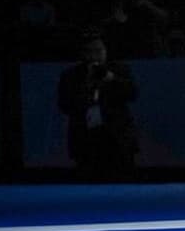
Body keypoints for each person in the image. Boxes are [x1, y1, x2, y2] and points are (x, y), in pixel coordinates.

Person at [57, 27, 140, 181]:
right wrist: (86, 85)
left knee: (123, 183)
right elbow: (64, 105)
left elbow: (132, 93)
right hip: (85, 140)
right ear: (83, 53)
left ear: (105, 51)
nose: (95, 55)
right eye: (90, 51)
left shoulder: (119, 70)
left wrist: (111, 79)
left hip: (118, 139)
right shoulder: (70, 75)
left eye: (99, 50)